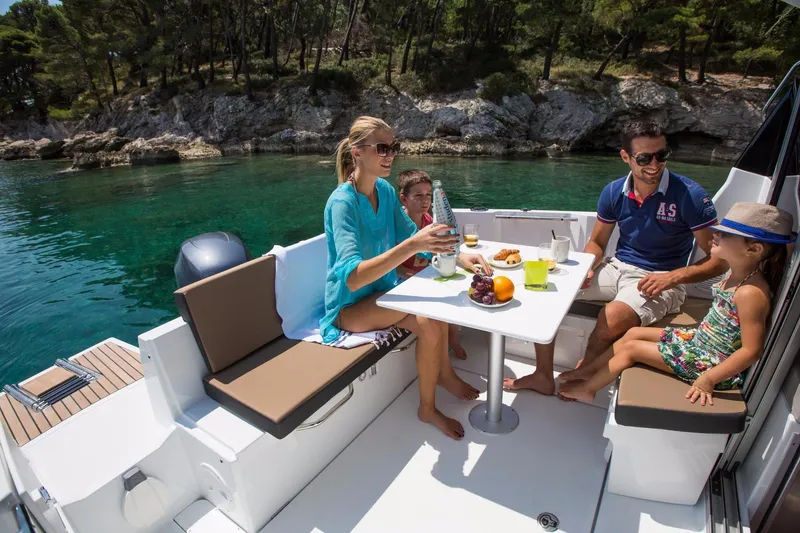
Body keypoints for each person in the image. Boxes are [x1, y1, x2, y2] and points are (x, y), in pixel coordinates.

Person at [504, 120, 729, 396]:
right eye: (645, 158)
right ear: (626, 157)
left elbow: (721, 259)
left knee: (610, 317)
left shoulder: (690, 196)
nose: (655, 164)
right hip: (617, 266)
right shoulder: (614, 192)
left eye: (662, 155)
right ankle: (542, 374)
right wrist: (587, 267)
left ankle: (582, 376)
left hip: (663, 278)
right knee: (544, 293)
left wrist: (673, 277)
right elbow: (597, 242)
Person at [321, 116, 493, 440]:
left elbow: (415, 236)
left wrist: (459, 257)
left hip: (383, 293)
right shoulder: (341, 204)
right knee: (428, 315)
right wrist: (413, 245)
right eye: (382, 148)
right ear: (357, 152)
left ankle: (439, 383)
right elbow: (353, 279)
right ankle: (433, 396)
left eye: (394, 147)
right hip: (349, 308)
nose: (390, 155)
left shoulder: (384, 192)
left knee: (435, 313)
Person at [560, 202, 793, 404]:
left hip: (710, 363)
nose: (716, 235)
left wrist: (708, 380)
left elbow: (752, 350)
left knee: (631, 349)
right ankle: (589, 371)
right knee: (631, 333)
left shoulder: (750, 293)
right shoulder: (737, 276)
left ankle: (589, 389)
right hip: (701, 342)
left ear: (753, 249)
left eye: (725, 234)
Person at [395, 169, 469, 360]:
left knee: (456, 291)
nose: (425, 200)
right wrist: (417, 278)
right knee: (441, 302)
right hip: (404, 281)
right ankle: (443, 355)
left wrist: (462, 258)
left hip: (426, 276)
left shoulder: (430, 221)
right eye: (418, 195)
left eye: (428, 195)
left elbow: (442, 249)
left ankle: (454, 339)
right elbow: (395, 266)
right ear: (404, 199)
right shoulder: (397, 225)